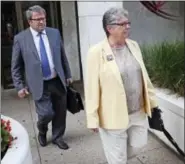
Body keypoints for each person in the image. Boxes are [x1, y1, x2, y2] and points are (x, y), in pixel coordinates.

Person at [85, 7, 158, 164]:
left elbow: (144, 76)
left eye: (128, 23)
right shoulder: (96, 52)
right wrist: (92, 117)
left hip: (137, 112)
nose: (128, 27)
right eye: (123, 24)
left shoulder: (133, 45)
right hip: (113, 116)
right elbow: (91, 88)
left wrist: (152, 103)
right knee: (118, 159)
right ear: (109, 28)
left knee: (137, 147)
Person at [11, 5, 72, 150]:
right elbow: (16, 66)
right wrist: (19, 86)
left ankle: (58, 137)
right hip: (39, 83)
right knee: (46, 113)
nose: (41, 22)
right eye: (37, 19)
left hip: (57, 80)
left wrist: (68, 74)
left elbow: (62, 56)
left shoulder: (54, 33)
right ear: (29, 21)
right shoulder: (21, 39)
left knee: (60, 112)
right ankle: (42, 129)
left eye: (43, 18)